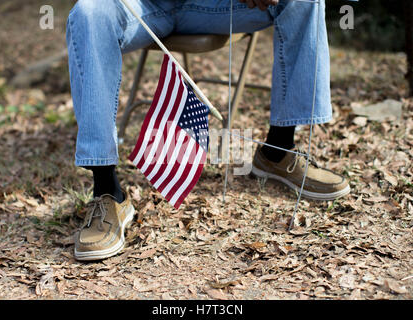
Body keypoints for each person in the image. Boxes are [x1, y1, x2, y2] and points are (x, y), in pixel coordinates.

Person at [66, 0, 350, 261]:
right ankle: (107, 191)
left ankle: (278, 150)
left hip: (214, 5)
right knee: (89, 13)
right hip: (142, 5)